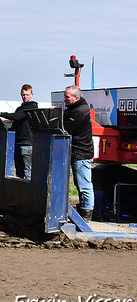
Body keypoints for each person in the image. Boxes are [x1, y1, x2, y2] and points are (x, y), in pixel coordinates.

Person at [0, 84, 38, 179]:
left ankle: (30, 192)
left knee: (28, 170)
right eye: (23, 94)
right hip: (18, 142)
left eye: (27, 95)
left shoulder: (32, 107)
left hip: (26, 143)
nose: (25, 97)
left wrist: (0, 113)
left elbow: (17, 116)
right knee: (19, 171)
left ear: (32, 94)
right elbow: (15, 125)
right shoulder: (20, 109)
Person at [63, 85, 95, 222]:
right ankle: (83, 209)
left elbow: (66, 127)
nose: (64, 99)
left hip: (81, 153)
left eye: (67, 97)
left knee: (84, 184)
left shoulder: (79, 112)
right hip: (77, 151)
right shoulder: (74, 109)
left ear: (76, 98)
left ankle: (86, 213)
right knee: (79, 183)